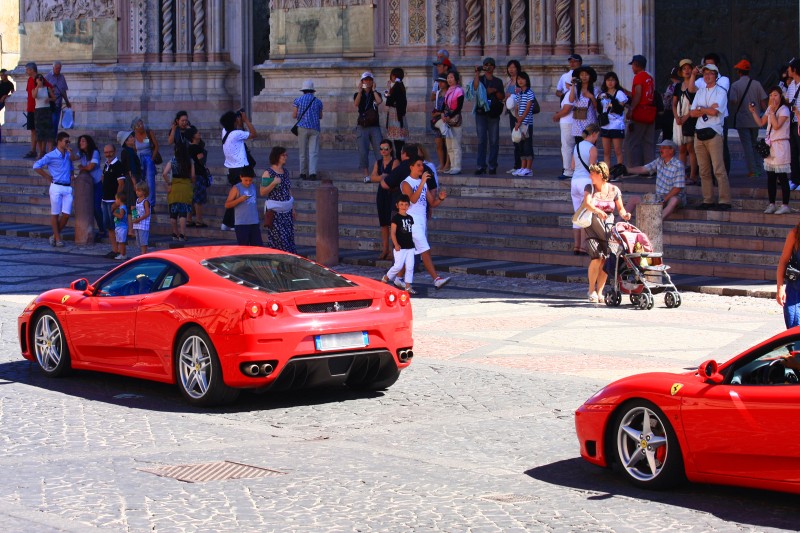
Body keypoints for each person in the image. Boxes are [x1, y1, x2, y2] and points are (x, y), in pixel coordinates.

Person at [583, 162, 632, 303]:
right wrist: (597, 211)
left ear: (601, 175)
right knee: (596, 257)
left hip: (607, 228)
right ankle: (591, 290)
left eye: (593, 174)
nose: (590, 176)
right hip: (592, 226)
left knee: (605, 259)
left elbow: (620, 209)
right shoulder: (589, 188)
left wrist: (625, 215)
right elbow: (587, 203)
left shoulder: (614, 190)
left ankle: (600, 292)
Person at [400, 157, 451, 289]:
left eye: (422, 165)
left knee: (410, 253)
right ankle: (436, 279)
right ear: (411, 167)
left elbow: (432, 203)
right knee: (425, 250)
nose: (421, 168)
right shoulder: (406, 183)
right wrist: (422, 183)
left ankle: (396, 277)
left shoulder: (422, 183)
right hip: (412, 222)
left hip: (421, 222)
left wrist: (440, 199)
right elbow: (412, 200)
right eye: (418, 165)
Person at [690, 63, 731, 210]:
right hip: (699, 132)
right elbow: (692, 113)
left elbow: (715, 112)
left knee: (718, 168)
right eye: (705, 74)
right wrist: (707, 109)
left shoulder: (721, 92)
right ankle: (707, 200)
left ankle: (725, 200)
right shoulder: (700, 91)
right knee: (703, 170)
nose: (707, 76)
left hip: (714, 132)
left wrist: (701, 109)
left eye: (710, 73)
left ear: (716, 75)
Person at [750, 86, 792, 214]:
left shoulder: (784, 110)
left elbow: (777, 125)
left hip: (781, 145)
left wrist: (772, 112)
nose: (772, 98)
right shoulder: (770, 108)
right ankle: (772, 204)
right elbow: (761, 123)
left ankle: (785, 205)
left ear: (780, 96)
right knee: (771, 177)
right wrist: (753, 112)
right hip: (770, 145)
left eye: (775, 95)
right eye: (771, 95)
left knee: (782, 177)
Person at [627, 139, 686, 219]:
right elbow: (643, 169)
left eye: (663, 148)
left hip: (673, 197)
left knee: (674, 200)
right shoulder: (659, 161)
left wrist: (664, 199)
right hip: (659, 197)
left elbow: (677, 188)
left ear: (671, 150)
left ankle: (657, 220)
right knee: (633, 199)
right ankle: (617, 222)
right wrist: (626, 170)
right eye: (660, 148)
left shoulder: (678, 165)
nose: (660, 150)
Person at [33, 131, 73, 247]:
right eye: (66, 141)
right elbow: (36, 166)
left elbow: (71, 165)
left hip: (67, 187)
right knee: (55, 213)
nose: (68, 143)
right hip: (56, 186)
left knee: (66, 214)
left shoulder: (68, 154)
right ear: (59, 141)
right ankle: (58, 239)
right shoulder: (51, 155)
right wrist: (46, 176)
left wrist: (72, 174)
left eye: (69, 141)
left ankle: (55, 236)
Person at [729, 59, 768, 178]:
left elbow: (733, 100)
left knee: (747, 146)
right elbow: (763, 102)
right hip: (755, 120)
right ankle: (759, 168)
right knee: (755, 144)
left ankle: (753, 171)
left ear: (739, 72)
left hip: (742, 120)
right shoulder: (757, 84)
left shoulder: (735, 85)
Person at [220, 108, 257, 230]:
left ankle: (227, 223)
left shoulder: (224, 131)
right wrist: (245, 120)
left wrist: (238, 122)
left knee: (235, 195)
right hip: (241, 168)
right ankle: (230, 223)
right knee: (239, 197)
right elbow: (254, 134)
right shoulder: (236, 134)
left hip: (232, 169)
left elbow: (239, 131)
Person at [468, 57, 504, 174]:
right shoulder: (480, 79)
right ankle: (481, 166)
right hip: (481, 113)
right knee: (481, 140)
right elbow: (475, 88)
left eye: (490, 65)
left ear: (494, 67)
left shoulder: (498, 81)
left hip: (494, 113)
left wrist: (494, 91)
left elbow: (502, 97)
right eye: (486, 65)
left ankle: (492, 165)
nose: (488, 67)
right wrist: (477, 73)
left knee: (494, 141)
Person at [364, 139, 399, 260]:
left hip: (391, 193)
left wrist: (379, 178)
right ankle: (385, 249)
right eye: (381, 149)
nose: (383, 151)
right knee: (383, 223)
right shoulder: (378, 162)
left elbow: (392, 177)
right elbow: (372, 177)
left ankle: (393, 250)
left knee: (391, 223)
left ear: (391, 149)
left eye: (386, 149)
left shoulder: (395, 161)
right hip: (381, 193)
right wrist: (381, 177)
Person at [571, 124, 600, 255]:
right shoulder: (592, 148)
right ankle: (583, 247)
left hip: (574, 181)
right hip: (586, 182)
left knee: (577, 214)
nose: (597, 138)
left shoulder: (576, 146)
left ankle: (576, 246)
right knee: (585, 214)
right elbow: (592, 169)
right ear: (593, 134)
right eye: (597, 135)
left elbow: (572, 166)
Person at [261, 146, 296, 254]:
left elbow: (288, 189)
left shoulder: (285, 172)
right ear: (277, 156)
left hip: (287, 211)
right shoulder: (268, 173)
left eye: (286, 155)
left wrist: (293, 208)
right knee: (279, 239)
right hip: (275, 213)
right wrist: (273, 183)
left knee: (289, 238)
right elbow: (262, 192)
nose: (285, 157)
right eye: (283, 155)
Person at [625, 54, 656, 168]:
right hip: (650, 111)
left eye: (633, 65)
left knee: (631, 141)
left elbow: (638, 94)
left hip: (640, 111)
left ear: (636, 65)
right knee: (648, 142)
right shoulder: (649, 77)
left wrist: (631, 109)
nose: (632, 68)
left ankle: (633, 167)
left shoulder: (638, 77)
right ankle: (649, 168)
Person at [381, 194, 416, 294]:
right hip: (400, 247)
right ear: (397, 205)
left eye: (406, 204)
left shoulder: (410, 218)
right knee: (398, 266)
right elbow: (392, 233)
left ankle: (408, 287)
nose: (404, 206)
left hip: (410, 246)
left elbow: (411, 232)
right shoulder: (395, 218)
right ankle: (385, 278)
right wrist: (396, 244)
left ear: (409, 205)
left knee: (410, 267)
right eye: (401, 204)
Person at [72, 135, 104, 242]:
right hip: (87, 184)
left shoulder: (94, 152)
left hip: (97, 183)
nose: (81, 143)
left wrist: (82, 167)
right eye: (80, 141)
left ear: (88, 142)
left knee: (96, 207)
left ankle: (103, 229)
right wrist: (68, 150)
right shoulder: (82, 153)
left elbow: (91, 167)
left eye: (83, 141)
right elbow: (73, 158)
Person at [672, 59, 699, 185]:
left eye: (689, 68)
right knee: (682, 149)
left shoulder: (695, 87)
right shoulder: (678, 86)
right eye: (684, 69)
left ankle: (693, 175)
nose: (687, 71)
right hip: (679, 119)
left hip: (690, 119)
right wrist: (677, 116)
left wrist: (686, 117)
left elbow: (696, 105)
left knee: (691, 148)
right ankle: (681, 175)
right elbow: (674, 103)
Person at [162, 140, 195, 242]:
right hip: (185, 187)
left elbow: (164, 173)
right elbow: (193, 175)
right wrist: (191, 182)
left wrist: (169, 183)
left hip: (174, 187)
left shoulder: (172, 160)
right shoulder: (189, 161)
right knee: (183, 212)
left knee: (173, 212)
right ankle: (182, 234)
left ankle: (174, 233)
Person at [354, 71, 383, 176]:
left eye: (370, 80)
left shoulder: (376, 94)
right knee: (363, 151)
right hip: (362, 125)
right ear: (362, 81)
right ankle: (366, 174)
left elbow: (379, 101)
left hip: (374, 125)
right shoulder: (358, 94)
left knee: (379, 149)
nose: (368, 82)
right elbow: (356, 103)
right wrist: (360, 91)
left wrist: (374, 90)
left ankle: (380, 170)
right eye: (365, 80)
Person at [293, 79, 323, 180]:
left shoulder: (298, 100)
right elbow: (320, 116)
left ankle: (303, 173)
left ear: (303, 90)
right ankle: (312, 173)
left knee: (302, 152)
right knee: (313, 152)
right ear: (312, 90)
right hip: (315, 128)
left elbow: (294, 115)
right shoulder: (318, 101)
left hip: (302, 127)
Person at [597, 71, 628, 168]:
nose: (610, 82)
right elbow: (600, 110)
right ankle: (607, 172)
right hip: (605, 125)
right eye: (608, 80)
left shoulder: (620, 93)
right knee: (606, 152)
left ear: (616, 81)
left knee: (618, 151)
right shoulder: (602, 94)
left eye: (612, 80)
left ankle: (619, 171)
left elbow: (620, 109)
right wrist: (598, 100)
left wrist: (611, 98)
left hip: (616, 125)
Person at [225, 167, 262, 246]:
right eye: (246, 180)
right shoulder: (236, 188)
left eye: (250, 180)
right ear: (241, 177)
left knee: (258, 247)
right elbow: (227, 205)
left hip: (254, 222)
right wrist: (239, 199)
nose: (248, 182)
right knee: (244, 248)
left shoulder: (253, 186)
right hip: (242, 224)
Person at [100, 144, 126, 258]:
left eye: (110, 152)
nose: (108, 154)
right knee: (109, 226)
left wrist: (117, 201)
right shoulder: (106, 165)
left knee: (117, 227)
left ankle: (121, 251)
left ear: (114, 152)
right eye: (106, 152)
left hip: (113, 201)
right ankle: (114, 249)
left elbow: (121, 184)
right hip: (105, 199)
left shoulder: (118, 165)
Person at [131, 117, 160, 212]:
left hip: (148, 158)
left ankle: (151, 204)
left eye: (142, 123)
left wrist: (152, 158)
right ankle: (141, 203)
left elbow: (156, 145)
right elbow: (134, 149)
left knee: (150, 181)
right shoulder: (133, 135)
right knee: (140, 181)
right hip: (139, 159)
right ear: (135, 128)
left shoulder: (148, 132)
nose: (141, 126)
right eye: (139, 125)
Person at [23, 63, 51, 159]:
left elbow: (50, 88)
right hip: (31, 108)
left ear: (32, 70)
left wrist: (48, 99)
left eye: (27, 69)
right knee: (33, 130)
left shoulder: (40, 78)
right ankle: (33, 150)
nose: (26, 71)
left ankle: (42, 150)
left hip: (39, 108)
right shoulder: (29, 80)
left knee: (41, 130)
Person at [186, 126, 210, 227]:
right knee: (198, 199)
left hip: (189, 174)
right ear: (193, 136)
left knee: (190, 198)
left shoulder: (188, 147)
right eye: (196, 132)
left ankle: (189, 219)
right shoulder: (197, 148)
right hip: (198, 174)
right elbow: (201, 161)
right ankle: (199, 220)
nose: (199, 133)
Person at [777, 222, 800, 330]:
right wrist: (780, 288)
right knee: (794, 330)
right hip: (795, 292)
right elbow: (784, 261)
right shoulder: (795, 234)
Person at [512, 71, 535, 176]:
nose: (520, 81)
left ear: (526, 80)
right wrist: (517, 118)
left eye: (522, 79)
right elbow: (516, 107)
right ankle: (522, 167)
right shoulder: (519, 94)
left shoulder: (530, 93)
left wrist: (520, 120)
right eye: (518, 79)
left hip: (527, 123)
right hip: (520, 123)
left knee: (527, 146)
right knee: (520, 146)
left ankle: (529, 169)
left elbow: (527, 109)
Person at [569, 66, 599, 143]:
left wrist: (591, 96)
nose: (584, 77)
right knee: (579, 144)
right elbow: (571, 100)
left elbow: (597, 106)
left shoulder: (595, 89)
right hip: (578, 121)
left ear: (590, 76)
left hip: (590, 120)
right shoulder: (575, 88)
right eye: (582, 75)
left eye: (586, 75)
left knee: (590, 144)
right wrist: (573, 85)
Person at [118, 131, 140, 233]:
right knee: (133, 205)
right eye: (130, 137)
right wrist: (134, 183)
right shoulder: (128, 152)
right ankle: (132, 228)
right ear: (126, 141)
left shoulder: (130, 151)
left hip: (131, 179)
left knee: (132, 205)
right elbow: (130, 168)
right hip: (131, 179)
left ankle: (132, 228)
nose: (133, 138)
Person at [783, 59, 800, 188]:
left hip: (799, 122)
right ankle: (795, 180)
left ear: (795, 69)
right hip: (793, 123)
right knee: (793, 152)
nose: (787, 70)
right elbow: (787, 100)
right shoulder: (791, 85)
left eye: (789, 68)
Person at [443, 70, 464, 175]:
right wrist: (444, 115)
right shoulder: (448, 91)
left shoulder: (459, 90)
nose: (449, 79)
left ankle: (457, 166)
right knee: (449, 146)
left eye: (451, 77)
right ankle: (452, 166)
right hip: (448, 121)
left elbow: (459, 107)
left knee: (456, 145)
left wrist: (449, 116)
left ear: (456, 79)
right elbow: (445, 106)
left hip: (455, 120)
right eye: (448, 77)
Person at [384, 68, 408, 157]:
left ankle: (398, 159)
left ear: (394, 76)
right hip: (398, 115)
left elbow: (389, 100)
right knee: (399, 141)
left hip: (396, 115)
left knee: (397, 141)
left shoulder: (397, 86)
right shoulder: (401, 85)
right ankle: (399, 158)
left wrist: (388, 89)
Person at [504, 59, 522, 173]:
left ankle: (522, 166)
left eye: (513, 67)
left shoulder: (520, 81)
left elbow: (522, 94)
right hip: (511, 113)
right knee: (515, 138)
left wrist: (510, 95)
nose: (511, 69)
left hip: (519, 113)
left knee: (520, 138)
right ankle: (517, 165)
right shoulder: (508, 82)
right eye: (509, 67)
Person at [553, 88, 575, 180]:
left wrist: (557, 115)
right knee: (567, 147)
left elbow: (567, 108)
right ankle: (569, 169)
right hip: (568, 122)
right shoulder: (570, 92)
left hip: (568, 123)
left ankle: (568, 171)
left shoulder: (572, 92)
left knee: (567, 147)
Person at [45, 61, 71, 138]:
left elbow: (63, 91)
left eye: (59, 68)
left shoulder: (62, 77)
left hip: (58, 103)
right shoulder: (47, 77)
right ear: (53, 68)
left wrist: (67, 101)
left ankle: (54, 138)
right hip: (50, 104)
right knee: (51, 122)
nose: (58, 70)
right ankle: (50, 138)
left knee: (56, 122)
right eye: (56, 68)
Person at [430, 75, 451, 172]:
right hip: (438, 120)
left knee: (447, 143)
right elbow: (433, 100)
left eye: (442, 82)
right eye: (439, 82)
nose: (440, 84)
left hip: (446, 119)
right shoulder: (438, 93)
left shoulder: (450, 92)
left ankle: (447, 164)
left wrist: (439, 113)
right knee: (438, 143)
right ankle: (441, 163)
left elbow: (450, 108)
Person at [33, 74, 55, 158]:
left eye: (41, 79)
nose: (40, 80)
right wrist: (37, 87)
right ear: (36, 80)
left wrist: (49, 99)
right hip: (38, 110)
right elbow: (34, 96)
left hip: (46, 110)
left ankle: (49, 152)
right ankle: (41, 151)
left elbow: (54, 98)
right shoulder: (34, 89)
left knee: (48, 131)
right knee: (39, 132)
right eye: (38, 79)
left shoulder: (47, 88)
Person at [132, 182, 151, 254]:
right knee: (139, 241)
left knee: (143, 241)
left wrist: (139, 219)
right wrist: (134, 212)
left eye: (139, 191)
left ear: (144, 192)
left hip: (143, 225)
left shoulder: (145, 201)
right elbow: (137, 211)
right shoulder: (137, 200)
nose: (137, 192)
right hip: (137, 224)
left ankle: (144, 254)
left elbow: (147, 213)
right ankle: (141, 254)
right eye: (136, 190)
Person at [111, 192, 128, 260]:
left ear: (119, 199)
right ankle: (123, 253)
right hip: (118, 226)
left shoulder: (122, 208)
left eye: (116, 199)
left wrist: (114, 213)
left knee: (122, 242)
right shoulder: (120, 207)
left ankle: (122, 254)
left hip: (122, 227)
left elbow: (121, 216)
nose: (115, 201)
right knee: (120, 241)